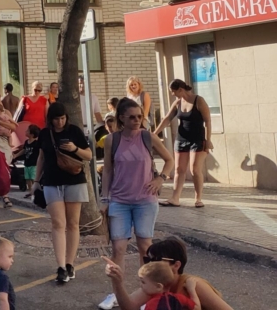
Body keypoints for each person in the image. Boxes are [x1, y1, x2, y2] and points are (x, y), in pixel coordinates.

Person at [98, 97, 174, 310]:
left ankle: (147, 296)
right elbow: (108, 170)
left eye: (140, 116)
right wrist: (104, 199)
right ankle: (116, 294)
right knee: (118, 248)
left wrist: (160, 179)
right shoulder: (112, 140)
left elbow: (169, 160)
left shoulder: (148, 137)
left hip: (145, 201)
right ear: (121, 118)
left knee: (145, 247)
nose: (137, 120)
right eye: (132, 117)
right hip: (119, 200)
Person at [33, 102, 92, 284]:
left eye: (63, 118)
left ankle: (70, 263)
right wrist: (36, 181)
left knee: (73, 223)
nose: (60, 122)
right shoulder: (45, 133)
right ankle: (60, 266)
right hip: (51, 181)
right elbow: (41, 157)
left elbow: (89, 155)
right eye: (56, 119)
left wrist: (75, 149)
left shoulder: (74, 131)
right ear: (50, 119)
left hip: (74, 181)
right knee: (58, 223)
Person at [105, 237, 233, 310]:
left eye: (156, 260)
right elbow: (129, 307)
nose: (150, 265)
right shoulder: (156, 282)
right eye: (148, 260)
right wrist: (117, 282)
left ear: (176, 265)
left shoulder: (194, 285)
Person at [158, 80, 212, 208]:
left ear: (181, 89)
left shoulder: (199, 101)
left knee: (195, 169)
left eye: (173, 91)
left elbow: (208, 121)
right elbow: (167, 119)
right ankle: (175, 198)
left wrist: (208, 140)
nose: (172, 94)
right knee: (179, 169)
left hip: (197, 139)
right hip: (181, 139)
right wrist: (154, 133)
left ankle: (198, 199)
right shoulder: (177, 103)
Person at [19, 125, 41, 199]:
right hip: (27, 163)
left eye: (27, 131)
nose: (26, 131)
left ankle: (35, 192)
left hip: (34, 164)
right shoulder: (26, 142)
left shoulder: (36, 143)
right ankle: (30, 191)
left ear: (32, 134)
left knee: (33, 178)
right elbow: (24, 150)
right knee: (28, 178)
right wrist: (16, 155)